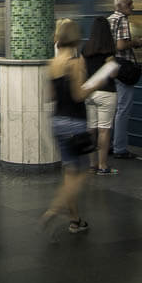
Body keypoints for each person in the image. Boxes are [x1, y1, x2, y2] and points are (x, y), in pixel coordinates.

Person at [41, 19, 105, 236]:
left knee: (70, 171)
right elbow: (79, 95)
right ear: (76, 37)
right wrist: (95, 83)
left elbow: (50, 95)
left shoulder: (53, 62)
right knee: (84, 171)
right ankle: (54, 209)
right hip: (75, 123)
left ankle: (75, 220)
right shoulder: (76, 62)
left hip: (57, 121)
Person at [108, 0, 142, 159]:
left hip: (111, 67)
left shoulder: (109, 19)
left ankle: (110, 144)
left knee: (113, 109)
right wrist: (137, 42)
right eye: (130, 4)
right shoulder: (122, 19)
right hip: (124, 69)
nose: (132, 7)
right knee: (123, 110)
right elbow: (121, 45)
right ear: (122, 6)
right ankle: (120, 148)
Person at [82, 17, 119, 174]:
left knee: (91, 129)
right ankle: (103, 166)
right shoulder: (109, 50)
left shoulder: (86, 49)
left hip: (90, 92)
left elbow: (83, 71)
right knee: (104, 130)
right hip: (106, 92)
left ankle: (92, 165)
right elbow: (113, 74)